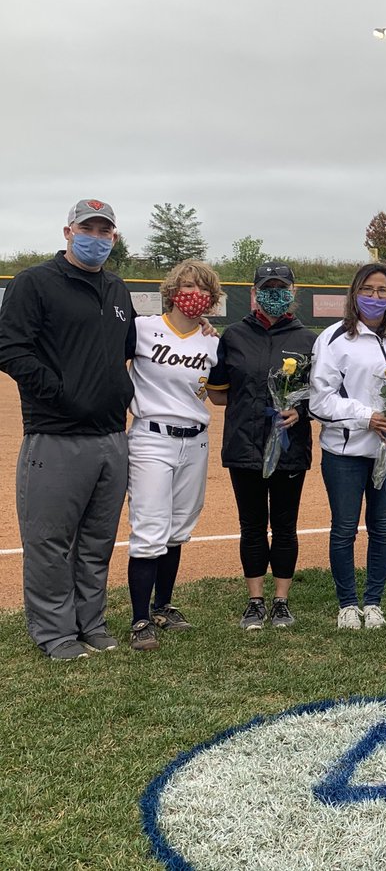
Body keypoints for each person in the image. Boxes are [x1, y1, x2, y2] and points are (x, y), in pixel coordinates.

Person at [0, 200, 135, 660]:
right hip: (56, 435)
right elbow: (10, 348)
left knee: (96, 544)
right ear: (67, 231)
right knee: (50, 542)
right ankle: (55, 633)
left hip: (112, 437)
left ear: (113, 237)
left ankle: (90, 623)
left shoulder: (117, 288)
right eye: (87, 228)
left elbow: (130, 348)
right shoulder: (34, 282)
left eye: (104, 230)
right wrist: (58, 393)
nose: (95, 236)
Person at [207, 262, 316, 630]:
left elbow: (320, 395)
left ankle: (281, 601)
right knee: (252, 525)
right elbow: (218, 394)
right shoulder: (234, 335)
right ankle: (255, 601)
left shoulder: (308, 340)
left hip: (289, 447)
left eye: (281, 287)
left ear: (292, 292)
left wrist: (298, 411)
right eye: (267, 287)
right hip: (245, 446)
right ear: (254, 292)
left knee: (285, 526)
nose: (274, 293)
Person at [309, 263, 386, 630]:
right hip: (346, 452)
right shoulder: (334, 338)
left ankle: (373, 602)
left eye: (382, 291)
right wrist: (365, 416)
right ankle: (347, 604)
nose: (375, 297)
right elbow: (320, 400)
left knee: (383, 529)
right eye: (368, 290)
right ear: (355, 294)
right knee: (344, 528)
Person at [124, 260, 224, 650]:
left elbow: (219, 392)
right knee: (149, 528)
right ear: (171, 290)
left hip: (196, 440)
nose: (194, 294)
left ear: (213, 300)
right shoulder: (142, 328)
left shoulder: (213, 342)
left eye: (203, 289)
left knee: (179, 527)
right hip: (152, 437)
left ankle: (163, 606)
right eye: (186, 285)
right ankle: (139, 620)